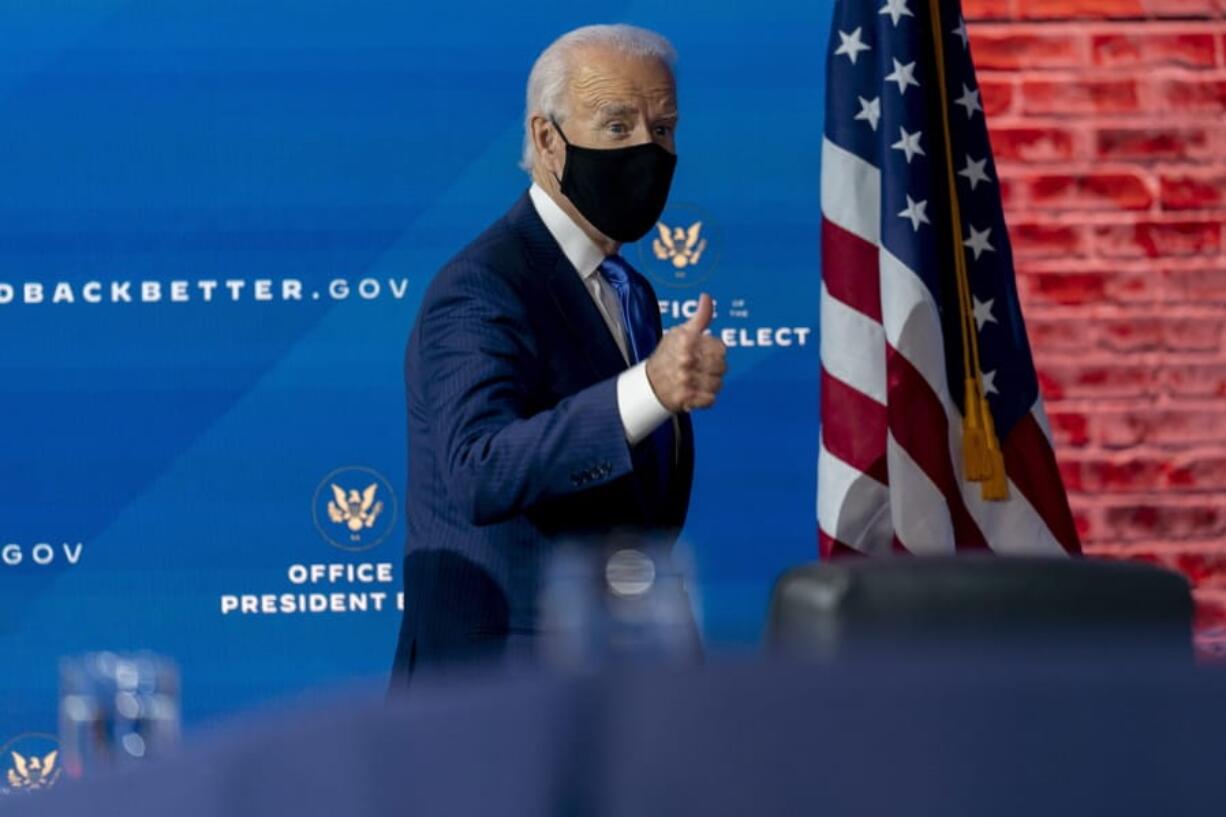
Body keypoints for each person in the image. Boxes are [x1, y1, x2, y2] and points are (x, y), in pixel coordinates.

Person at [391, 24, 726, 682]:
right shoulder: (481, 285)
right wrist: (649, 389)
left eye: (663, 129)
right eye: (618, 125)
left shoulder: (630, 290)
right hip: (492, 698)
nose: (646, 150)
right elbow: (479, 468)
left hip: (613, 683)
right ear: (547, 139)